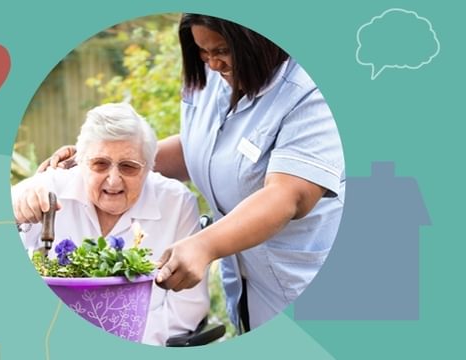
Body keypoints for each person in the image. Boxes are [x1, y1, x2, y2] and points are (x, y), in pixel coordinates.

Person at [39, 14, 345, 334]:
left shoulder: (309, 93)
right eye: (202, 52)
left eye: (222, 51)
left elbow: (289, 195)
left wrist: (203, 245)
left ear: (257, 40)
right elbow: (202, 150)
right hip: (247, 285)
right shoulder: (211, 80)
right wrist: (102, 162)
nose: (212, 64)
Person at [12, 102, 210, 345]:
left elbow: (187, 308)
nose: (113, 180)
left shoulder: (176, 203)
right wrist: (13, 213)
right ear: (80, 161)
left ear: (148, 167)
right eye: (100, 164)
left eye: (128, 167)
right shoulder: (47, 187)